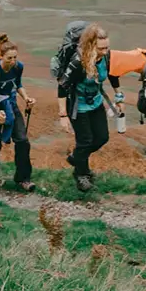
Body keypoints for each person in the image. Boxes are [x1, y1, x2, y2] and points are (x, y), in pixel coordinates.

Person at [57, 24, 123, 192]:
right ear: (90, 46)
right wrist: (63, 116)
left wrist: (119, 97)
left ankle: (76, 158)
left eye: (107, 47)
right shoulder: (78, 62)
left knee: (102, 137)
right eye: (101, 48)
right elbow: (62, 86)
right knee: (84, 141)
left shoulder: (106, 57)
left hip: (96, 102)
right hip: (78, 107)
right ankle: (81, 175)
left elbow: (113, 75)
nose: (105, 51)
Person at [0, 36, 36, 192]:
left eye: (15, 57)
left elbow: (17, 84)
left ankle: (23, 179)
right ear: (1, 57)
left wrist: (26, 98)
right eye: (9, 58)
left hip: (10, 105)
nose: (13, 61)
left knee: (23, 141)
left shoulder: (18, 67)